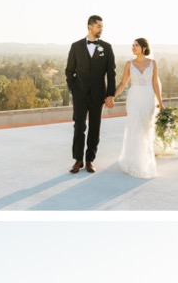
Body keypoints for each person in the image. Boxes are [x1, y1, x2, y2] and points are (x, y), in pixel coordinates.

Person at [65, 15, 118, 173]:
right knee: (79, 126)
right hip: (79, 94)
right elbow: (69, 71)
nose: (101, 29)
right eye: (99, 26)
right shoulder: (76, 47)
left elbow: (111, 73)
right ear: (90, 26)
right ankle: (78, 160)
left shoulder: (107, 48)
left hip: (98, 94)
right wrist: (73, 89)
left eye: (102, 27)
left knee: (95, 127)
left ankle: (90, 160)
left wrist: (110, 95)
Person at [110, 38, 163, 178]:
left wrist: (160, 103)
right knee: (135, 125)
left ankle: (144, 161)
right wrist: (112, 96)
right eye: (132, 45)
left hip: (148, 98)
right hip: (134, 98)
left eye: (136, 45)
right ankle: (133, 161)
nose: (133, 47)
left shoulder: (153, 63)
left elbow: (155, 84)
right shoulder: (129, 64)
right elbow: (122, 84)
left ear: (144, 48)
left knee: (145, 128)